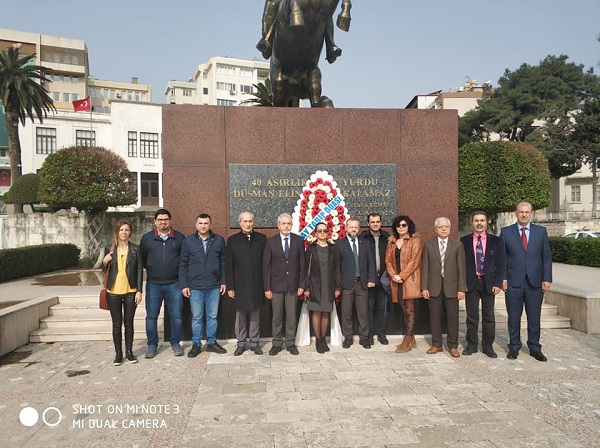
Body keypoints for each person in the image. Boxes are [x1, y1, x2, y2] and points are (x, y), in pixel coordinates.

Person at [500, 202, 552, 362]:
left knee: (534, 317)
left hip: (535, 282)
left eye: (527, 212)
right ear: (516, 213)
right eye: (521, 212)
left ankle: (535, 347)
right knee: (514, 317)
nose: (524, 214)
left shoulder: (541, 232)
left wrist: (547, 278)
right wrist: (503, 278)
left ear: (532, 213)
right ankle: (514, 346)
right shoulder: (506, 232)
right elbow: (502, 258)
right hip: (513, 281)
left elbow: (546, 257)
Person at [179, 213, 227, 357]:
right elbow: (183, 264)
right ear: (196, 224)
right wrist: (184, 285)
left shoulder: (218, 240)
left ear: (210, 224)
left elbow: (223, 263)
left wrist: (223, 281)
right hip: (195, 286)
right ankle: (196, 344)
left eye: (206, 223)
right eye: (200, 223)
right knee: (197, 317)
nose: (203, 226)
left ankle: (212, 343)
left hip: (214, 285)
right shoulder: (188, 242)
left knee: (212, 316)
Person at [139, 208, 185, 359]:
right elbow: (143, 260)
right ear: (155, 222)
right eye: (160, 220)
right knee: (151, 316)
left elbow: (183, 260)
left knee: (176, 316)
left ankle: (175, 342)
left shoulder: (179, 238)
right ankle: (152, 345)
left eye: (165, 219)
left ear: (170, 221)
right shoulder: (147, 239)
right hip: (154, 284)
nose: (163, 222)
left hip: (174, 284)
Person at [460, 211, 505, 358]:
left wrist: (498, 283)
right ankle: (471, 345)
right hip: (471, 284)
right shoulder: (464, 241)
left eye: (482, 220)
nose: (479, 223)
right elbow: (461, 265)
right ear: (472, 223)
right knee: (472, 317)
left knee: (489, 317)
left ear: (486, 222)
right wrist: (463, 284)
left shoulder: (496, 241)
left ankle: (488, 347)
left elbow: (501, 264)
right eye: (476, 220)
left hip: (489, 283)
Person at [421, 217, 466, 358]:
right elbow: (425, 267)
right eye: (441, 227)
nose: (444, 229)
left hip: (452, 287)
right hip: (434, 287)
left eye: (446, 226)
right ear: (436, 229)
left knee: (452, 318)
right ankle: (437, 344)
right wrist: (424, 287)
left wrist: (461, 289)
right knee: (434, 317)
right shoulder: (429, 245)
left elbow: (461, 268)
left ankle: (453, 345)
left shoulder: (457, 245)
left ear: (450, 228)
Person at [263, 213, 306, 356]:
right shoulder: (271, 242)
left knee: (291, 316)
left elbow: (302, 265)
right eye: (284, 224)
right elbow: (266, 266)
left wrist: (301, 284)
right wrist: (267, 287)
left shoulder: (299, 240)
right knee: (276, 317)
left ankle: (290, 343)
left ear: (292, 225)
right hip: (275, 286)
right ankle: (276, 343)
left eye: (289, 224)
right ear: (278, 225)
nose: (286, 226)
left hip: (293, 286)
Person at [102, 219, 143, 365]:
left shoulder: (136, 249)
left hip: (130, 291)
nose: (123, 232)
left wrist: (139, 291)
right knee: (116, 324)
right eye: (121, 230)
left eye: (126, 230)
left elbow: (139, 271)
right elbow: (103, 270)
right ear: (117, 232)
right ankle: (118, 354)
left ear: (130, 232)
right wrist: (105, 261)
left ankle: (129, 352)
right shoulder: (110, 248)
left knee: (129, 323)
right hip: (113, 291)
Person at [225, 212, 267, 356]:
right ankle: (241, 343)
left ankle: (255, 343)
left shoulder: (261, 239)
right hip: (240, 284)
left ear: (253, 222)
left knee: (255, 314)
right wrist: (230, 286)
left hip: (257, 283)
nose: (248, 224)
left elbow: (265, 263)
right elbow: (228, 265)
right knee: (241, 316)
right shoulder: (232, 240)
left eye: (250, 221)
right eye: (245, 221)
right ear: (240, 223)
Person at [335, 217, 376, 349]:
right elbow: (337, 267)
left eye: (356, 227)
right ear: (346, 228)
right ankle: (348, 337)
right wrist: (338, 285)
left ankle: (364, 337)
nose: (353, 229)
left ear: (359, 229)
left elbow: (371, 263)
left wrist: (371, 279)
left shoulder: (365, 244)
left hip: (362, 284)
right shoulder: (340, 244)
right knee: (346, 312)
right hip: (347, 285)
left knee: (363, 312)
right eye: (351, 227)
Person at [385, 215, 423, 353]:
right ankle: (411, 338)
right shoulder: (392, 242)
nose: (401, 228)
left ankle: (407, 340)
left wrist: (401, 276)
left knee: (410, 311)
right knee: (404, 311)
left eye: (403, 225)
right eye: (398, 226)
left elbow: (414, 261)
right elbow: (388, 261)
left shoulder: (415, 241)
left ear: (409, 226)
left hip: (409, 281)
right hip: (397, 281)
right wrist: (394, 276)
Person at [304, 222, 342, 353]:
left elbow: (337, 269)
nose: (322, 233)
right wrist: (306, 288)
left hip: (329, 285)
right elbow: (305, 270)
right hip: (314, 285)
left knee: (326, 312)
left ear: (328, 232)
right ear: (315, 233)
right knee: (316, 312)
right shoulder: (311, 248)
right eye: (319, 231)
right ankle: (318, 339)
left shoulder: (333, 248)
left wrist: (338, 287)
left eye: (324, 230)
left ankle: (323, 339)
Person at [360, 213, 391, 345]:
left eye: (377, 222)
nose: (375, 224)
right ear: (368, 223)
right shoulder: (363, 238)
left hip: (384, 278)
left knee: (382, 308)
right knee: (369, 308)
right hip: (369, 279)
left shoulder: (387, 238)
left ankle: (382, 333)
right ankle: (369, 334)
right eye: (372, 222)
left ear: (381, 223)